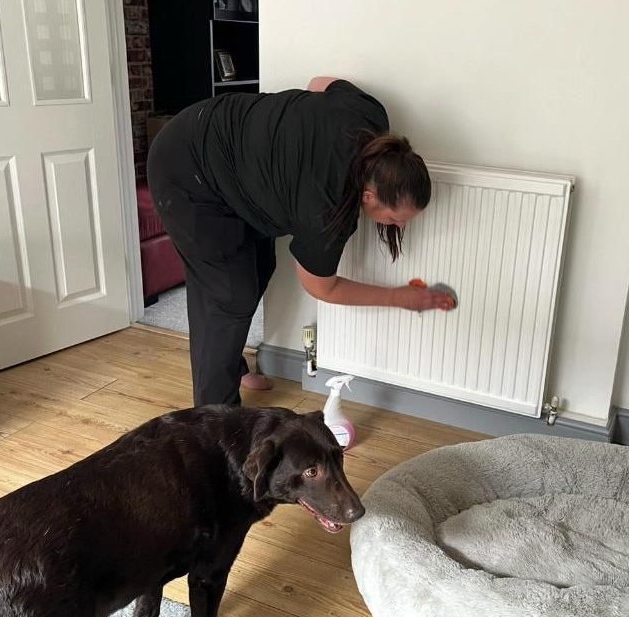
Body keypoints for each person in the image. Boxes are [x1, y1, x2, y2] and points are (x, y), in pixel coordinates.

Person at [147, 76, 454, 407]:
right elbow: (323, 287)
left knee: (261, 267)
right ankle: (215, 421)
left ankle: (228, 366)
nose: (397, 226)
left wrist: (292, 154)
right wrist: (399, 297)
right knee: (228, 295)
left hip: (227, 162)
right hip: (185, 168)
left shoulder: (370, 116)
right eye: (395, 219)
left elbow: (319, 83)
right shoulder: (329, 207)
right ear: (368, 196)